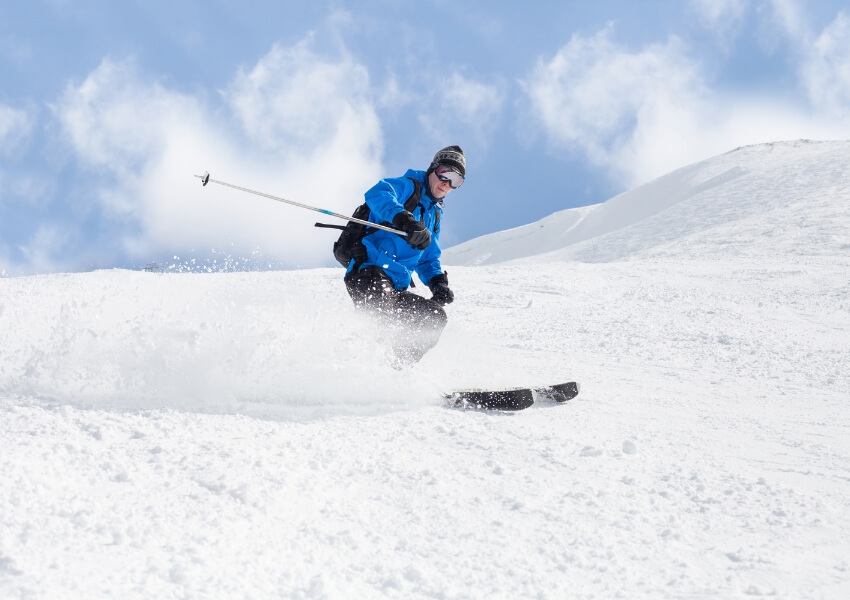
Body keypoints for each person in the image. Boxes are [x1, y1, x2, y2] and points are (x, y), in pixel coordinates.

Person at [344, 145, 465, 365]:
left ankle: (395, 370)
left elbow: (428, 254)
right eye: (445, 173)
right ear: (433, 169)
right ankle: (354, 365)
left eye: (456, 181)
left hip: (396, 288)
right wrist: (402, 218)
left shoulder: (434, 214)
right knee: (381, 316)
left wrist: (437, 282)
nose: (447, 183)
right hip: (369, 272)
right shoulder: (409, 187)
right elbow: (378, 193)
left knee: (433, 319)